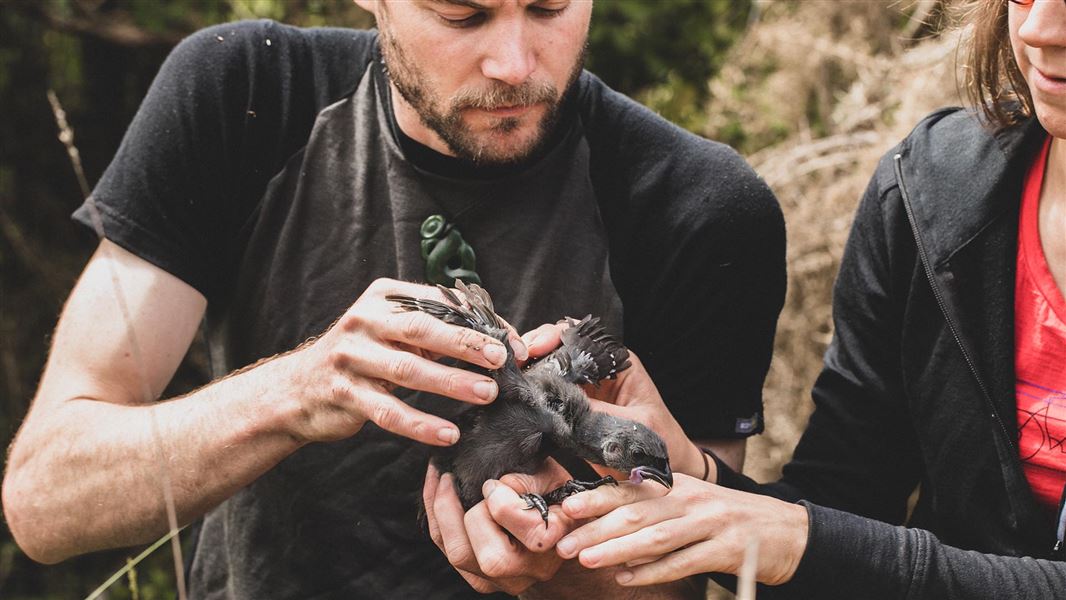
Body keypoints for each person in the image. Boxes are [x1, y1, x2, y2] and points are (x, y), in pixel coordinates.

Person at [0, 1, 786, 598]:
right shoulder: (243, 93)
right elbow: (45, 501)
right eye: (463, 11)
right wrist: (299, 389)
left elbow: (703, 569)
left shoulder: (701, 208)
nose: (515, 62)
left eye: (549, 5)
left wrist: (562, 570)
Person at [504, 0, 1065, 597]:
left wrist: (799, 543)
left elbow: (821, 547)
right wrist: (692, 475)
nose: (1038, 28)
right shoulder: (929, 194)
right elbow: (842, 516)